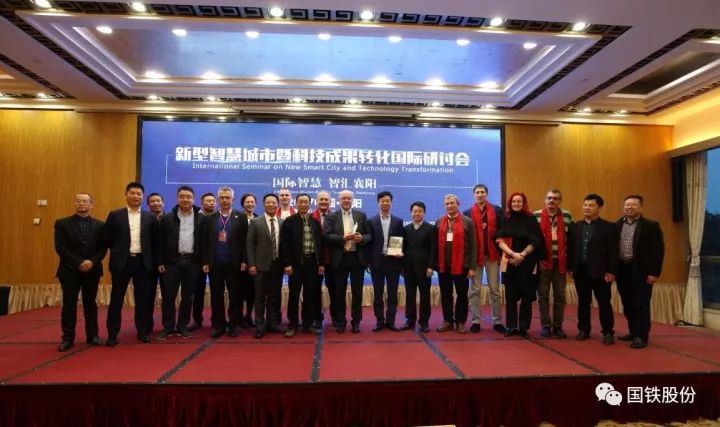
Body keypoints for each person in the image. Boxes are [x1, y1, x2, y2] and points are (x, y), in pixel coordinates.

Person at [104, 182, 158, 346]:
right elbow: (107, 238)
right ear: (126, 195)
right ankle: (112, 334)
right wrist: (118, 251)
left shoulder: (150, 217)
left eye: (138, 194)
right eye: (132, 193)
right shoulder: (115, 215)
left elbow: (154, 242)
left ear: (142, 196)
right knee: (116, 299)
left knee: (143, 300)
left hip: (143, 262)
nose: (135, 196)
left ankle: (142, 332)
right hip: (122, 262)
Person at [54, 193, 106, 351]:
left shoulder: (100, 225)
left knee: (90, 304)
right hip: (69, 271)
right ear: (74, 203)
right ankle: (68, 338)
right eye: (78, 201)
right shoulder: (62, 223)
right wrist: (78, 263)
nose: (81, 203)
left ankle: (93, 336)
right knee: (69, 305)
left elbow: (103, 249)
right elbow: (60, 248)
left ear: (91, 205)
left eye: (85, 201)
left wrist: (92, 262)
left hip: (92, 271)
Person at [615, 195, 665, 349]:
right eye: (627, 205)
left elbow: (658, 251)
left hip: (641, 271)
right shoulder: (616, 225)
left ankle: (641, 336)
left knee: (641, 304)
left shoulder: (651, 226)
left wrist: (654, 273)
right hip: (622, 270)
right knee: (627, 303)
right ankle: (633, 331)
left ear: (641, 207)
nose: (629, 207)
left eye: (633, 205)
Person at [567, 194, 618, 345]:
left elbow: (613, 251)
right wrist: (570, 267)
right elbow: (571, 249)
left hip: (601, 272)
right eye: (585, 205)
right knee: (583, 302)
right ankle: (583, 329)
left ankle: (607, 332)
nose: (586, 208)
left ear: (599, 207)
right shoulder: (575, 227)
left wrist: (611, 271)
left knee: (604, 303)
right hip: (580, 271)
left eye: (590, 205)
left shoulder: (609, 227)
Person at [156, 185, 204, 340]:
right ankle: (168, 327)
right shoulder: (167, 218)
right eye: (182, 196)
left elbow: (205, 242)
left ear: (193, 199)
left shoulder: (201, 218)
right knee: (169, 296)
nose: (185, 199)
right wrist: (160, 261)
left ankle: (182, 326)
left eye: (189, 197)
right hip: (172, 263)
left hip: (192, 262)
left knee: (188, 297)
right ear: (177, 198)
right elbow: (160, 242)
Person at [494, 192, 544, 338]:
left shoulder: (531, 219)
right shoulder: (505, 218)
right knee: (510, 298)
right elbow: (499, 240)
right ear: (510, 203)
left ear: (524, 203)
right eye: (514, 201)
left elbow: (536, 240)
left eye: (519, 201)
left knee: (527, 298)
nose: (516, 204)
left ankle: (523, 328)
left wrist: (522, 255)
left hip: (528, 262)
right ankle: (511, 327)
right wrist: (513, 254)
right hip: (509, 261)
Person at [201, 186, 248, 338]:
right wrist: (205, 261)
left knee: (235, 295)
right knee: (216, 295)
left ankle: (233, 325)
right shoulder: (210, 218)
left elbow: (245, 241)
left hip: (234, 263)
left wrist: (244, 260)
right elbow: (205, 242)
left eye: (227, 197)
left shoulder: (240, 217)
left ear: (233, 199)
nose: (224, 200)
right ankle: (218, 325)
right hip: (215, 263)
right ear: (218, 199)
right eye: (222, 198)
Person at [323, 189, 371, 333]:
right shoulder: (331, 216)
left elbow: (369, 235)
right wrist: (343, 238)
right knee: (339, 292)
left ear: (352, 200)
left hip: (357, 258)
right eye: (343, 198)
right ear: (339, 200)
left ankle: (356, 321)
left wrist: (362, 238)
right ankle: (341, 321)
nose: (346, 200)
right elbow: (327, 237)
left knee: (357, 292)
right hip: (340, 258)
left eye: (348, 198)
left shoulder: (360, 215)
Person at [280, 193, 325, 337]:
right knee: (294, 295)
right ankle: (292, 325)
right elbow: (284, 244)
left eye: (306, 202)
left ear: (310, 204)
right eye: (301, 202)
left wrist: (321, 263)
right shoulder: (289, 221)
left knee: (310, 295)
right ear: (296, 203)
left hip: (312, 263)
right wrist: (287, 263)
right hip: (295, 264)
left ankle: (307, 324)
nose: (304, 204)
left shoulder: (315, 222)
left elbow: (320, 244)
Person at [464, 184, 504, 333]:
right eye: (477, 192)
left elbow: (502, 232)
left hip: (492, 255)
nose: (480, 194)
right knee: (475, 290)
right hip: (476, 257)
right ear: (474, 195)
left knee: (495, 290)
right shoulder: (467, 213)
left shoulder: (497, 210)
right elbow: (467, 238)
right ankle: (475, 321)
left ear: (486, 194)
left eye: (482, 192)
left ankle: (497, 321)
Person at [533, 189, 573, 338]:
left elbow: (571, 239)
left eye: (555, 198)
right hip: (543, 262)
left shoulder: (567, 216)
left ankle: (558, 326)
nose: (552, 201)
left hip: (560, 262)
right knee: (543, 295)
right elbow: (533, 238)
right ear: (545, 200)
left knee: (560, 295)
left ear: (560, 201)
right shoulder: (536, 216)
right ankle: (545, 325)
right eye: (549, 198)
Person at [435, 194, 477, 334]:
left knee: (462, 294)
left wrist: (472, 267)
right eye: (447, 204)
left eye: (452, 203)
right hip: (443, 266)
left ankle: (460, 322)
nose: (450, 206)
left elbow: (474, 246)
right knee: (446, 294)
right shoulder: (439, 221)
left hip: (462, 265)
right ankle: (448, 321)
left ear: (458, 204)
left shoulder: (468, 221)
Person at [247, 193, 285, 338]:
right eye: (268, 202)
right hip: (260, 266)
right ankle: (260, 325)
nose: (271, 205)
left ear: (278, 205)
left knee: (274, 297)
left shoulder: (282, 222)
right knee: (259, 298)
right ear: (264, 204)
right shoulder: (256, 222)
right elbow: (249, 244)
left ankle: (272, 323)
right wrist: (251, 264)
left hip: (277, 266)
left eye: (274, 202)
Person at [366, 191, 405, 331]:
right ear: (378, 203)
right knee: (378, 294)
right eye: (382, 201)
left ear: (391, 203)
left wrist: (399, 253)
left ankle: (390, 321)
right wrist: (368, 261)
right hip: (377, 262)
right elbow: (369, 243)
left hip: (393, 261)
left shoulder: (398, 221)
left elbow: (400, 240)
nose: (385, 203)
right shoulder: (371, 221)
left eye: (388, 201)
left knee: (392, 294)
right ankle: (379, 321)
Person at [401, 201, 436, 333]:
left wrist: (431, 266)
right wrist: (402, 267)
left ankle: (424, 322)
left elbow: (434, 250)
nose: (417, 213)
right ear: (411, 213)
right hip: (408, 269)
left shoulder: (431, 228)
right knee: (410, 296)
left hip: (425, 269)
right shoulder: (406, 229)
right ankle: (410, 320)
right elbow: (402, 248)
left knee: (425, 296)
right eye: (415, 211)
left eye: (420, 211)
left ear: (424, 213)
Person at [188, 192, 216, 331]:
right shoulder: (194, 217)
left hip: (215, 260)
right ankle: (197, 319)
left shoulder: (218, 217)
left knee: (216, 291)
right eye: (208, 201)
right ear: (201, 202)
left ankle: (216, 320)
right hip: (197, 261)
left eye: (213, 201)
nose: (211, 203)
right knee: (197, 291)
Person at [311, 190, 335, 328]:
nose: (324, 202)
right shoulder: (310, 217)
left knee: (334, 289)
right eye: (321, 199)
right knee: (315, 290)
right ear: (317, 201)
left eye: (326, 199)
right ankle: (317, 317)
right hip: (315, 261)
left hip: (333, 260)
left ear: (330, 202)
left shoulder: (336, 217)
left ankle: (335, 317)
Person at [238, 193, 258, 327]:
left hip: (255, 261)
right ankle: (239, 318)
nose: (250, 204)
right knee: (240, 291)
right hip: (241, 262)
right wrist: (243, 260)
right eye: (247, 202)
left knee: (253, 291)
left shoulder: (258, 218)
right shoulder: (238, 219)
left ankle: (249, 315)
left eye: (252, 202)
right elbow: (239, 242)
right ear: (242, 204)